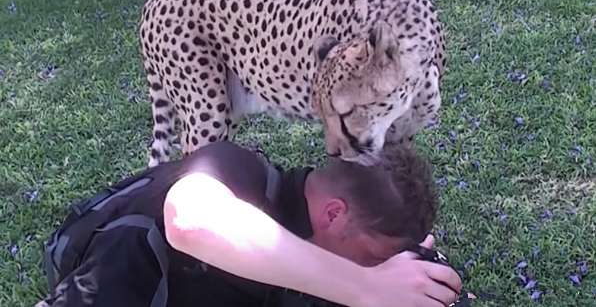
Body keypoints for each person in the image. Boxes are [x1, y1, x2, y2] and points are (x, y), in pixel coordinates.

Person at [38, 141, 462, 307]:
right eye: (372, 258)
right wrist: (370, 289)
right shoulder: (237, 169)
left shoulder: (317, 247)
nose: (372, 270)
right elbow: (190, 219)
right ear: (334, 214)